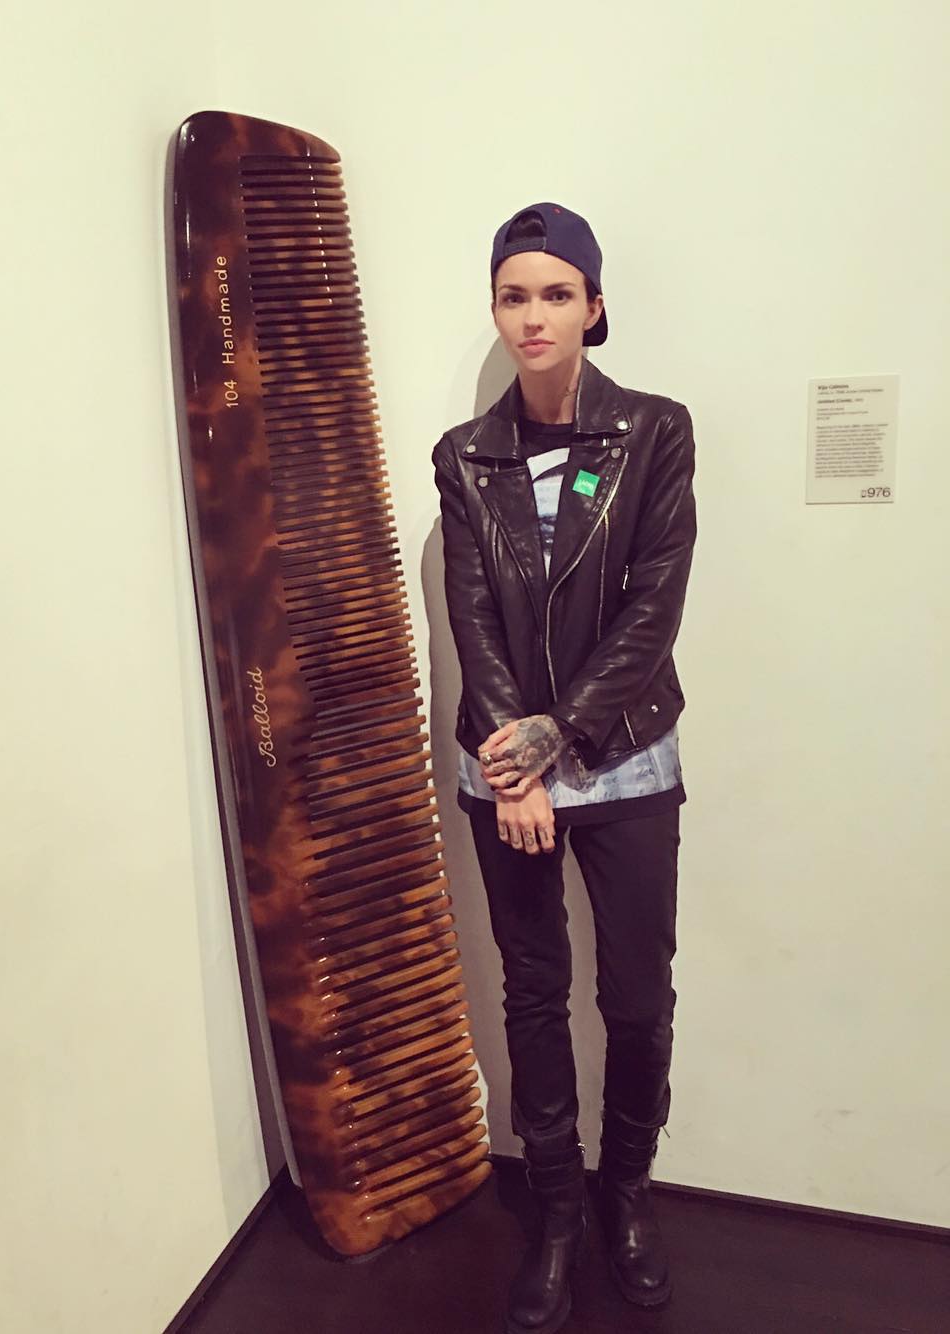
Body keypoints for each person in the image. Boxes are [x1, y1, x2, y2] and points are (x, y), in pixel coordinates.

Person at [431, 203, 697, 1333]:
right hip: (505, 767)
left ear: (594, 306)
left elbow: (653, 605)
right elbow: (474, 618)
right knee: (533, 991)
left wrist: (559, 741)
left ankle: (625, 1195)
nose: (532, 316)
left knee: (635, 998)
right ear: (495, 309)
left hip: (625, 754)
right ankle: (553, 1212)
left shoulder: (654, 431)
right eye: (513, 295)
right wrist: (517, 767)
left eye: (555, 293)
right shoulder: (465, 454)